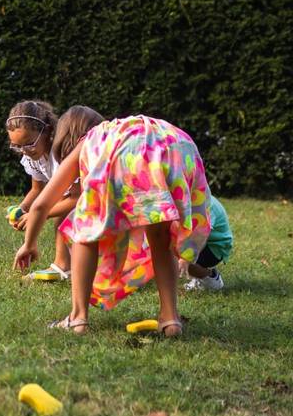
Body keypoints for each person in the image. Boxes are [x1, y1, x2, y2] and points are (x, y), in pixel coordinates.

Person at [14, 115, 212, 337]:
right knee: (160, 237)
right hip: (175, 144)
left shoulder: (90, 140)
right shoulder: (118, 131)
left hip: (144, 147)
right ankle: (170, 319)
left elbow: (41, 205)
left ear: (68, 138)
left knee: (85, 232)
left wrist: (29, 244)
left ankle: (78, 318)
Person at [4, 100, 73, 281]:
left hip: (98, 197)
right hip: (78, 197)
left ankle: (63, 267)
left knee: (64, 215)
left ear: (48, 131)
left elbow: (77, 198)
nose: (24, 151)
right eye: (17, 146)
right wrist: (23, 208)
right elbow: (37, 189)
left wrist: (38, 215)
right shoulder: (34, 156)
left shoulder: (63, 152)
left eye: (29, 143)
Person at [181, 195, 233, 290]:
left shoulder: (207, 205)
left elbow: (202, 236)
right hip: (201, 240)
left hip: (215, 247)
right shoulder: (193, 197)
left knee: (182, 261)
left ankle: (211, 278)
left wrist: (185, 258)